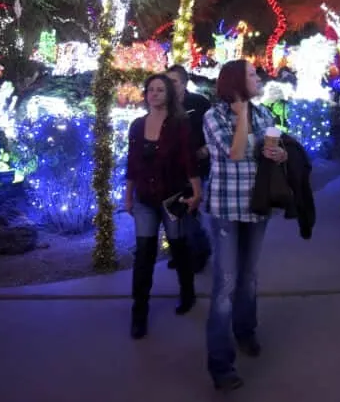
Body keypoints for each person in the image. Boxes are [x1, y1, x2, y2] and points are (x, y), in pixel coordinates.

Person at [202, 59, 287, 391]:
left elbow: (274, 147)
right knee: (225, 285)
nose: (257, 78)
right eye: (252, 74)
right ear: (236, 80)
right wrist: (241, 116)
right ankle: (221, 366)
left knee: (249, 277)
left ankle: (245, 330)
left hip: (257, 207)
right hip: (226, 209)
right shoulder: (214, 117)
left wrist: (280, 155)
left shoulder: (264, 113)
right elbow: (235, 153)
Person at [123, 74, 202, 340]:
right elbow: (132, 163)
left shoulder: (179, 125)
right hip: (145, 198)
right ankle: (139, 312)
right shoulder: (137, 125)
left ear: (169, 94)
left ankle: (188, 292)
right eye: (150, 89)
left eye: (160, 89)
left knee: (178, 247)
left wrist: (196, 191)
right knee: (144, 253)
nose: (154, 93)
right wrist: (128, 196)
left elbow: (188, 159)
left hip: (172, 197)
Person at [166, 64, 213, 272]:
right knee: (174, 212)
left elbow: (213, 131)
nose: (169, 85)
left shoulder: (199, 103)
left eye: (174, 81)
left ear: (184, 83)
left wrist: (206, 149)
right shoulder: (161, 104)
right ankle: (182, 252)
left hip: (196, 166)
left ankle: (200, 250)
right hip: (170, 168)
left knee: (190, 210)